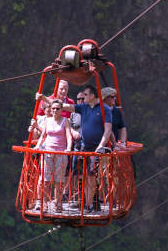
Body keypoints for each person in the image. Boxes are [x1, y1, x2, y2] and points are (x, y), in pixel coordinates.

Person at [62, 85, 113, 213]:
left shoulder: (104, 109)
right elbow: (67, 107)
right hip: (84, 147)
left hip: (95, 148)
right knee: (83, 176)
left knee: (91, 176)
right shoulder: (83, 107)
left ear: (92, 96)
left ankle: (89, 205)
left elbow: (107, 130)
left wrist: (101, 146)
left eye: (85, 94)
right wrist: (46, 100)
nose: (83, 97)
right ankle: (86, 202)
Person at [31, 99, 77, 212]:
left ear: (61, 110)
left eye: (57, 108)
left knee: (59, 180)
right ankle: (44, 203)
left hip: (60, 153)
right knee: (45, 179)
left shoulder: (65, 121)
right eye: (53, 108)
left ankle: (58, 202)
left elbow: (68, 136)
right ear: (50, 110)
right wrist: (37, 146)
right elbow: (43, 135)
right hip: (48, 152)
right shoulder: (47, 121)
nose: (55, 110)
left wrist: (68, 148)